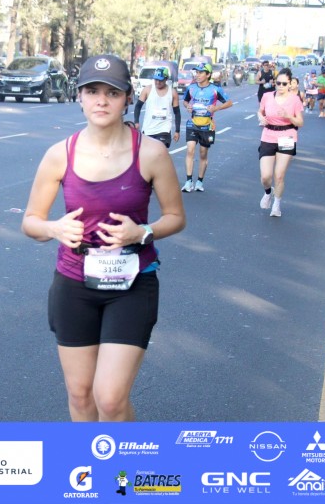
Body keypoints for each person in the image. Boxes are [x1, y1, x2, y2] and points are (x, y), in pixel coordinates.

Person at [21, 54, 186, 421]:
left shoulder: (151, 153)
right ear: (79, 97)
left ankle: (125, 456)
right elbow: (31, 221)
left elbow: (176, 217)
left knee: (109, 399)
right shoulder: (59, 154)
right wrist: (54, 228)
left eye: (112, 93)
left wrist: (142, 232)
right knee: (81, 396)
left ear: (127, 98)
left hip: (132, 283)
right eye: (92, 91)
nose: (101, 101)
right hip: (74, 283)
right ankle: (91, 458)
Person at [256, 68, 304, 218]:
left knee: (279, 175)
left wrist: (288, 116)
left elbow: (300, 122)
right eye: (278, 83)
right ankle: (268, 192)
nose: (281, 86)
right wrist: (261, 117)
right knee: (265, 176)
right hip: (268, 135)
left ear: (290, 84)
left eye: (284, 84)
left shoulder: (295, 99)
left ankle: (276, 204)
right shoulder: (267, 96)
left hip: (287, 136)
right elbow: (260, 111)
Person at [181, 62, 233, 192]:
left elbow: (229, 102)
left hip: (207, 125)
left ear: (208, 74)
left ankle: (199, 181)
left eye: (201, 72)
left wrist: (216, 108)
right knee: (190, 150)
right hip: (192, 123)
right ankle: (188, 181)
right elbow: (185, 101)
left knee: (203, 153)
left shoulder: (215, 89)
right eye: (197, 72)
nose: (197, 75)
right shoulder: (192, 88)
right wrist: (187, 106)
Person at [133, 67, 182, 148]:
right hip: (148, 129)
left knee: (159, 151)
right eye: (156, 79)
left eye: (160, 80)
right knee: (148, 154)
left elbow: (177, 112)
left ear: (166, 79)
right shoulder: (147, 90)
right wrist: (136, 122)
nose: (158, 82)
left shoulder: (172, 92)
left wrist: (177, 131)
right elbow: (138, 106)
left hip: (164, 129)